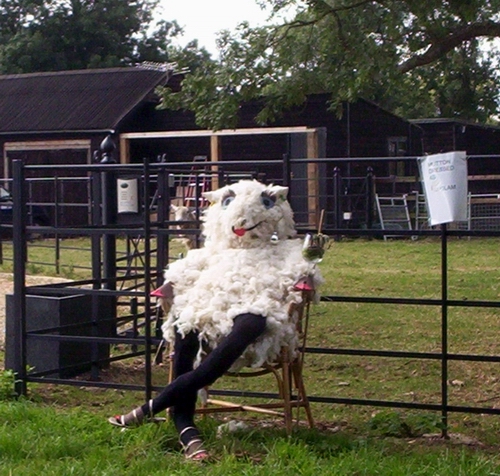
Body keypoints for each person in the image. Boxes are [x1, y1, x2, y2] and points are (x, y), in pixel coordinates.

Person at [108, 179, 323, 461]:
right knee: (186, 324)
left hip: (257, 307)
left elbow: (302, 268)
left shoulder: (285, 249)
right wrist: (170, 285)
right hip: (210, 307)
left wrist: (306, 277)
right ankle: (187, 431)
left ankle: (151, 407)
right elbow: (186, 269)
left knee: (252, 322)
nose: (241, 227)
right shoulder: (214, 252)